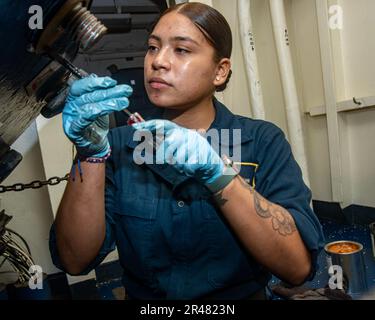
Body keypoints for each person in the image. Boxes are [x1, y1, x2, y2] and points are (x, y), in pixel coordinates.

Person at [49, 2, 325, 300]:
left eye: (181, 50)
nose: (158, 61)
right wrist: (90, 154)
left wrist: (222, 177)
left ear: (220, 71)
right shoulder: (116, 145)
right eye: (153, 47)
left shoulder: (261, 140)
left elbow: (296, 268)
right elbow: (74, 260)